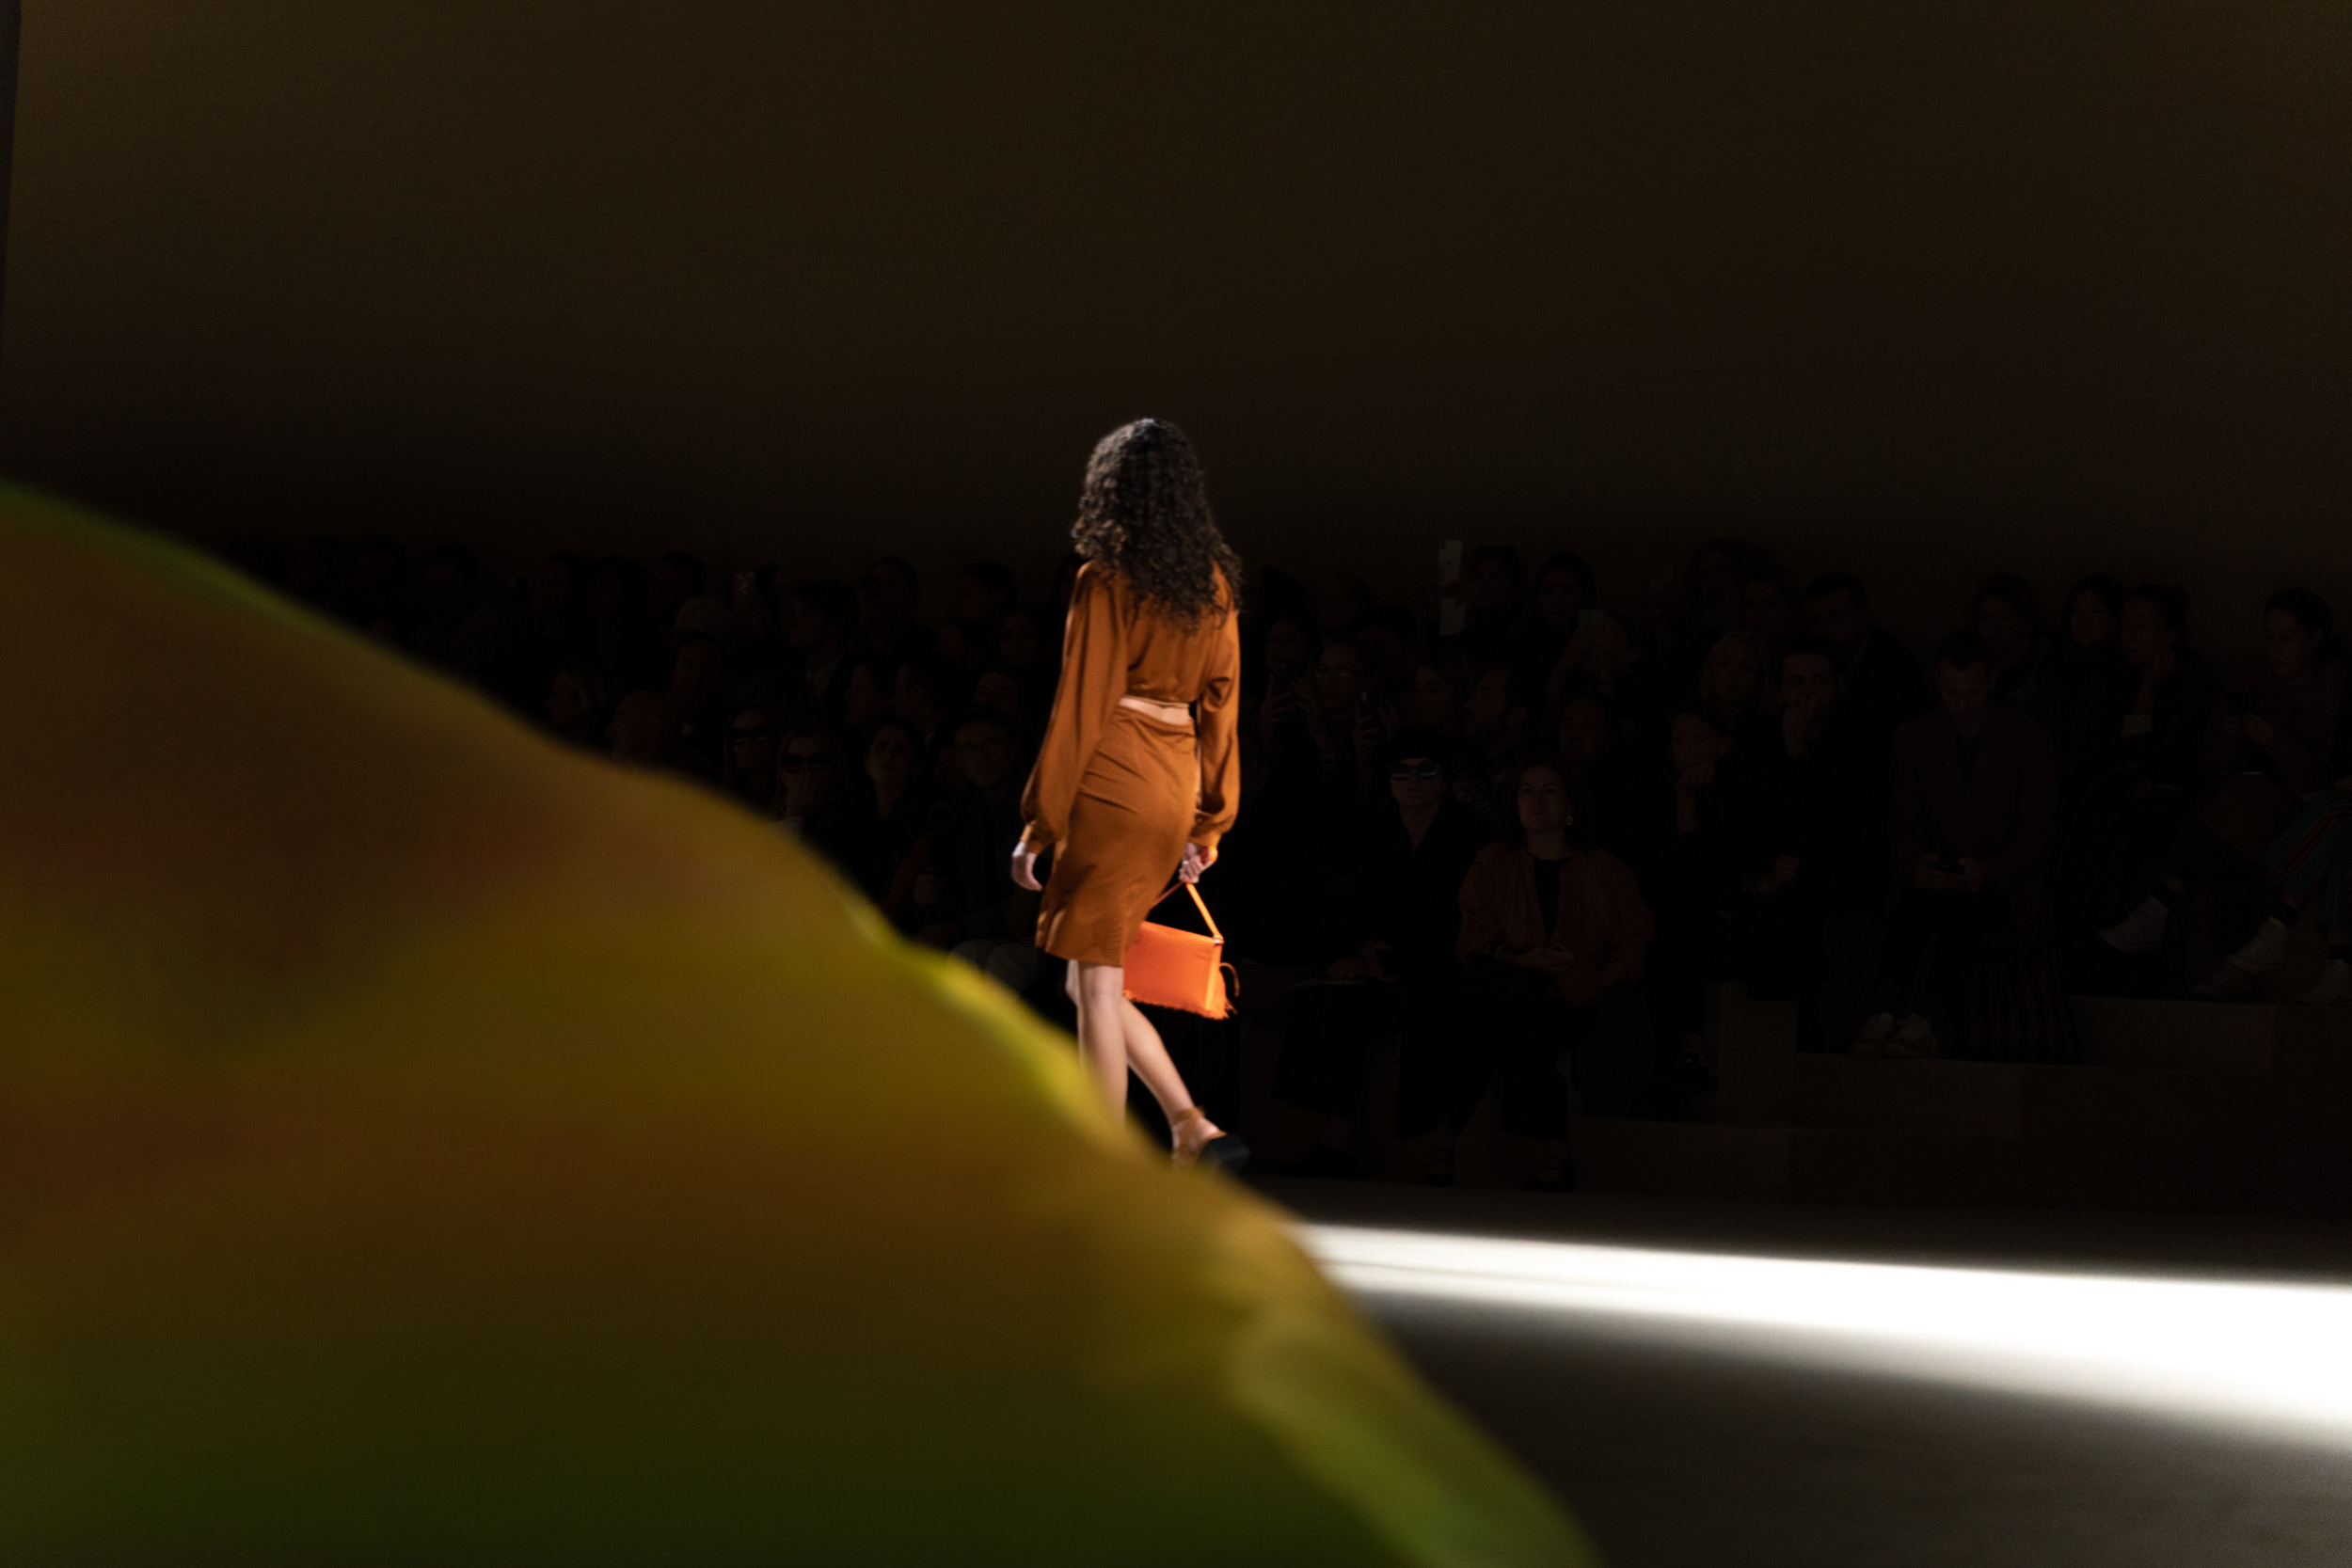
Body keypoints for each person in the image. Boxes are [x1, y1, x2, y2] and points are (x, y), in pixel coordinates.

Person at [1009, 419, 1248, 1170]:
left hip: (1114, 776)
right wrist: (1210, 821)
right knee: (1095, 980)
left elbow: (1081, 703)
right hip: (1174, 780)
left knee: (1095, 980)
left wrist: (1039, 821)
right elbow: (1223, 705)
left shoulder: (1106, 578)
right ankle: (1189, 1127)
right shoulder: (1212, 585)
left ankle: (1106, 1167)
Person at [1429, 760, 1653, 1192]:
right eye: (1526, 791)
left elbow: (1634, 938)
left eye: (1549, 790)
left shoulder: (1602, 869)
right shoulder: (1494, 862)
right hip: (1507, 987)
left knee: (1521, 1029)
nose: (1536, 800)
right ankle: (1473, 1143)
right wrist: (1524, 959)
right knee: (1484, 1023)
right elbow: (1474, 935)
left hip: (1571, 995)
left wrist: (1596, 978)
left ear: (1569, 804)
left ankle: (1463, 1143)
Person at [1274, 729, 1487, 1176]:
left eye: (1426, 771)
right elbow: (1360, 908)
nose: (1414, 781)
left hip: (1445, 966)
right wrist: (1364, 952)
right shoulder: (1378, 832)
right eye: (1402, 773)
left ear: (1445, 780)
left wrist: (1393, 959)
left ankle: (1424, 1143)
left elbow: (1466, 917)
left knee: (1432, 1010)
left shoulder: (1468, 836)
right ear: (1389, 782)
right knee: (1328, 999)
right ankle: (1334, 1137)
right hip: (1381, 964)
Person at [1865, 632, 2057, 1056]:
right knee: (1922, 899)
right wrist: (1916, 864)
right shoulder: (1915, 737)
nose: (1962, 707)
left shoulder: (2027, 739)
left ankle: (1919, 1017)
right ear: (1937, 682)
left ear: (1992, 680)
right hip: (1941, 873)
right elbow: (1905, 821)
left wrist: (1989, 868)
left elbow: (2038, 834)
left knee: (1960, 905)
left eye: (1971, 694)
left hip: (2004, 884)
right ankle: (1890, 1013)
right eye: (1951, 695)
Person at [2089, 585, 2224, 957]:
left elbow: (2170, 762)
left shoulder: (2195, 683)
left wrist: (2150, 688)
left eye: (2142, 626)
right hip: (2120, 787)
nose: (2129, 636)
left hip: (2173, 799)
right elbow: (2112, 752)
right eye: (2125, 624)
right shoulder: (2114, 674)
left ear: (2169, 636)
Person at [1804, 571, 1931, 743]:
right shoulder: (1807, 656)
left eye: (1837, 619)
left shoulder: (1894, 668)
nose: (1824, 631)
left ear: (1863, 618)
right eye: (1816, 621)